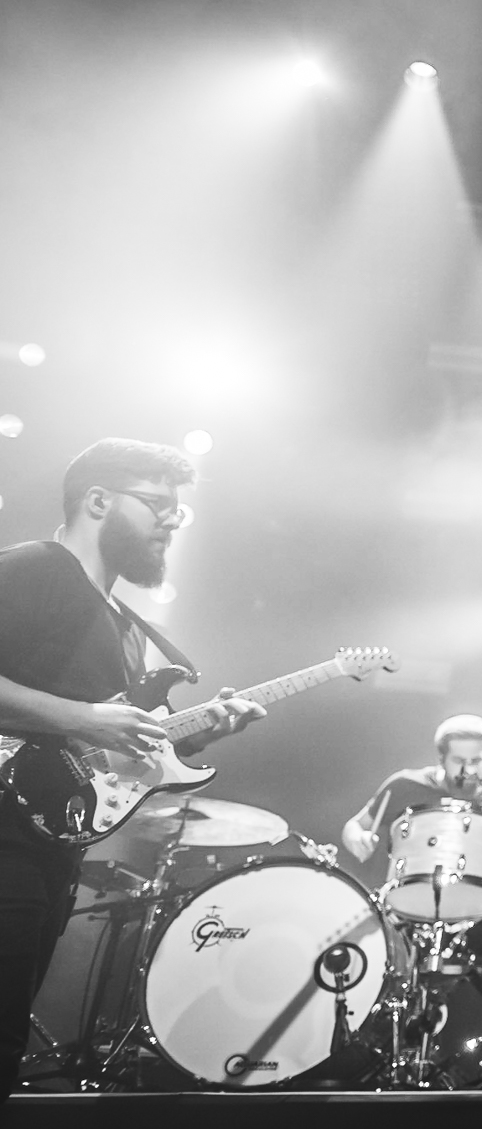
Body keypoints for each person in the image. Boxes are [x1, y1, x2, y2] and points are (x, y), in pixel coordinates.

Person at [0, 439, 266, 1093]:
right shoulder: (37, 569)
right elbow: (81, 724)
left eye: (178, 510)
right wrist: (81, 717)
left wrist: (190, 737)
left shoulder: (126, 628)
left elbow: (106, 753)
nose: (172, 520)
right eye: (156, 504)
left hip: (50, 849)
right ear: (98, 500)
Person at [340, 713, 482, 863]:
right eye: (459, 761)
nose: (468, 770)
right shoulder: (405, 785)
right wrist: (358, 839)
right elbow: (355, 825)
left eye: (476, 761)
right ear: (441, 759)